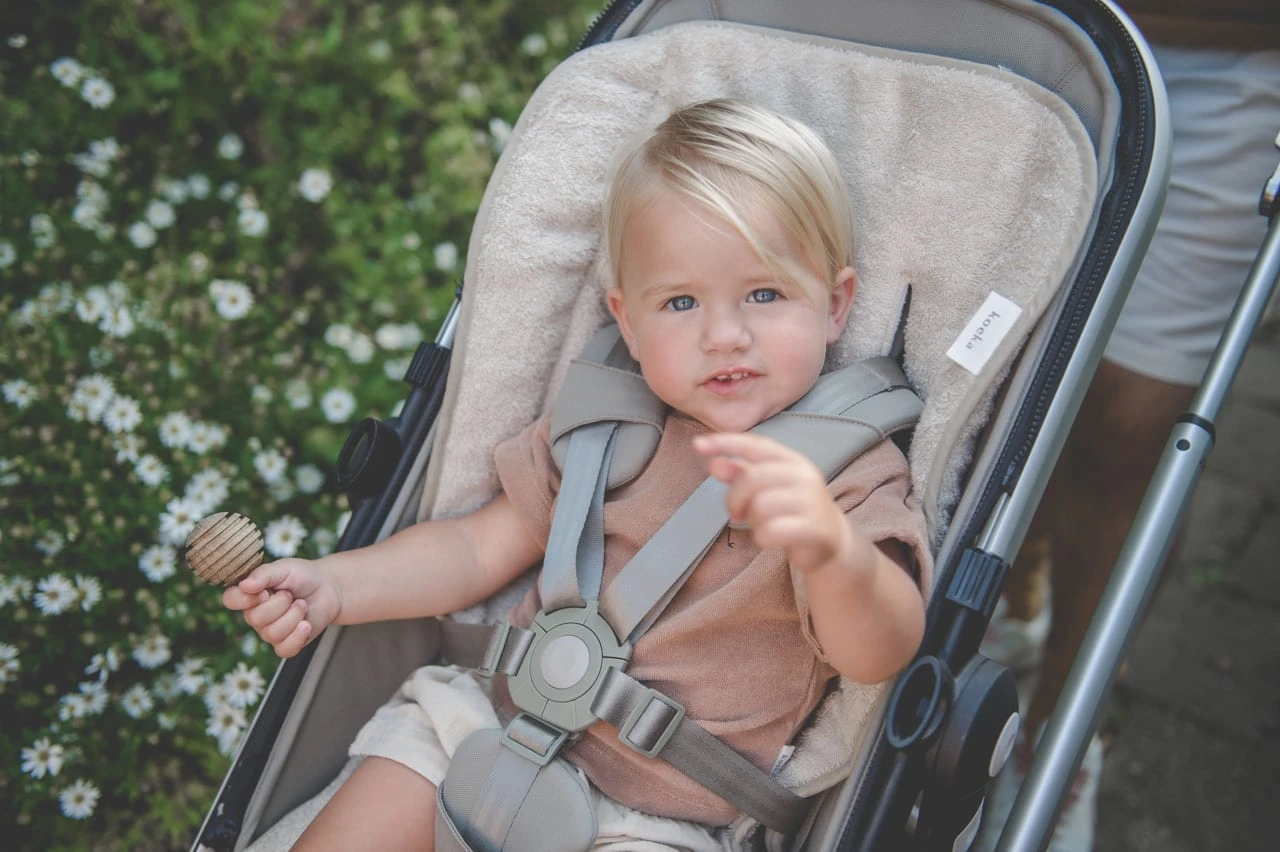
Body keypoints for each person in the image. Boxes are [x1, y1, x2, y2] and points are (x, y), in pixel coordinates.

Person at [224, 98, 932, 851]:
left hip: (661, 814)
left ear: (835, 304)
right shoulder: (606, 427)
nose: (724, 336)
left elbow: (881, 650)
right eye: (681, 302)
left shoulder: (848, 473)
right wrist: (338, 584)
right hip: (488, 729)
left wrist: (832, 553)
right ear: (627, 321)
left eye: (764, 294)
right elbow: (472, 551)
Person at [978, 4, 1280, 850]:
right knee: (998, 375)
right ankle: (990, 618)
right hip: (1022, 36)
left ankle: (1062, 738)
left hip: (1224, 61)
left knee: (1132, 425)